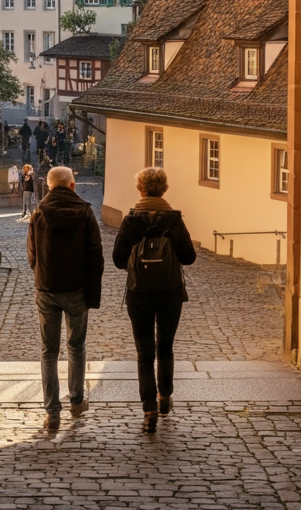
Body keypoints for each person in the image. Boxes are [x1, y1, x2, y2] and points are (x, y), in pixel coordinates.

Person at [111, 167, 197, 433]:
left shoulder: (131, 220)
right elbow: (189, 257)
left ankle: (149, 409)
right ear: (164, 189)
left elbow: (116, 259)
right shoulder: (174, 220)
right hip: (170, 291)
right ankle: (165, 397)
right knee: (166, 347)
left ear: (141, 189)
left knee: (144, 352)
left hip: (139, 293)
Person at [26, 166, 104, 430]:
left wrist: (43, 274)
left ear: (49, 186)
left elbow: (32, 255)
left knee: (49, 351)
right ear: (72, 186)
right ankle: (76, 400)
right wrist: (92, 289)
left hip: (47, 289)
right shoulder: (84, 212)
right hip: (77, 290)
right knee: (76, 346)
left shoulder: (38, 213)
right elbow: (96, 255)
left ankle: (53, 412)